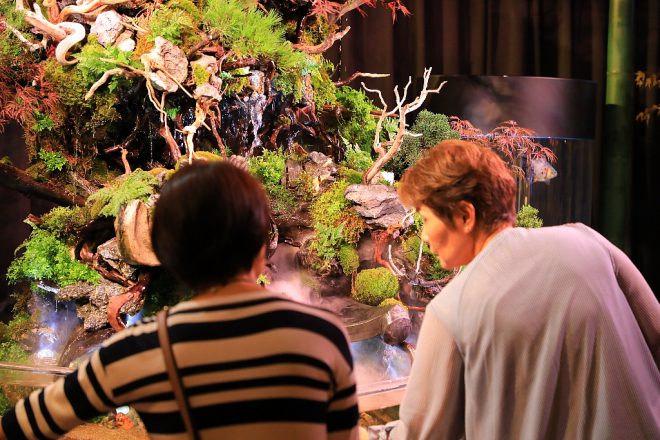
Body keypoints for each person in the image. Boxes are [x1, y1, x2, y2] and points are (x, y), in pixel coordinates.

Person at [0, 161, 359, 439]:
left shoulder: (142, 350)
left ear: (168, 257)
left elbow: (23, 424)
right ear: (261, 244)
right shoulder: (323, 336)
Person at [383, 139, 660, 439]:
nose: (424, 235)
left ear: (465, 215)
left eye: (426, 219)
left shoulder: (451, 310)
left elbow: (422, 434)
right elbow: (655, 332)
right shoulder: (590, 242)